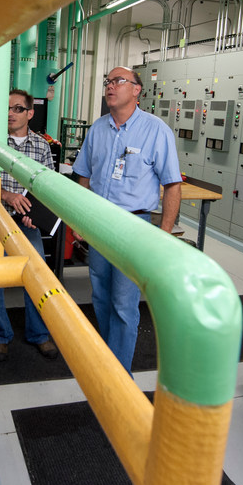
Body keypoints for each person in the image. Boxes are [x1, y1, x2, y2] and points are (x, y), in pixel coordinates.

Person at [72, 67, 181, 372]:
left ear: (136, 90)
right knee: (101, 295)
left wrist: (165, 232)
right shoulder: (98, 129)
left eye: (117, 81)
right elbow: (83, 175)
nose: (110, 86)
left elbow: (173, 184)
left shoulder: (155, 130)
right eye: (107, 81)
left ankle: (118, 372)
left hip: (133, 225)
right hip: (98, 223)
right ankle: (107, 355)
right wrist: (80, 219)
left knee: (123, 302)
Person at [0, 89, 59, 362]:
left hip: (27, 223)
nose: (10, 113)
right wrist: (5, 196)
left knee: (37, 279)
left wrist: (35, 212)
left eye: (17, 108)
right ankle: (0, 336)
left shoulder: (41, 146)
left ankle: (38, 334)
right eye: (6, 108)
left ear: (30, 113)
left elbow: (47, 187)